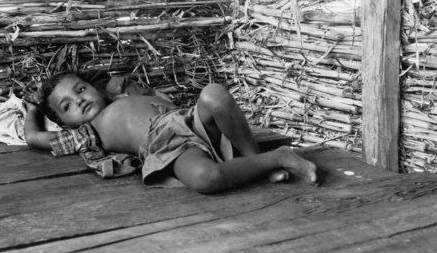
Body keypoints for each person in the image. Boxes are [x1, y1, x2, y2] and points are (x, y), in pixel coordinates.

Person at [24, 72, 318, 194]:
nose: (79, 100)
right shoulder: (84, 133)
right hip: (165, 144)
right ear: (64, 122)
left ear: (94, 87)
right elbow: (33, 138)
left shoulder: (123, 96)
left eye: (81, 89)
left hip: (185, 119)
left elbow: (159, 99)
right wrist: (33, 110)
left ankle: (258, 162)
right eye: (67, 105)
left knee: (215, 94)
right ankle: (278, 158)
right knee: (207, 178)